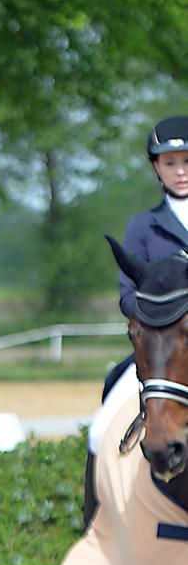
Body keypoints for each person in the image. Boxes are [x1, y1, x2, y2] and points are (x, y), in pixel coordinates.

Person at [86, 115, 188, 522]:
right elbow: (128, 296)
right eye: (170, 163)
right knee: (101, 426)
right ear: (156, 168)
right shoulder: (143, 227)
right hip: (162, 353)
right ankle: (96, 522)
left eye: (187, 161)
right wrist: (158, 314)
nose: (180, 171)